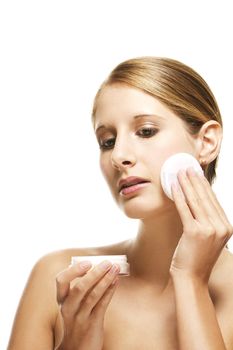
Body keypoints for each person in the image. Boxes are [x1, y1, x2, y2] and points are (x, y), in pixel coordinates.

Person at [7, 56, 233, 350]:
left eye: (146, 131)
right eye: (108, 141)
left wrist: (190, 279)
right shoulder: (63, 277)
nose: (119, 156)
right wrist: (75, 343)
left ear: (207, 142)